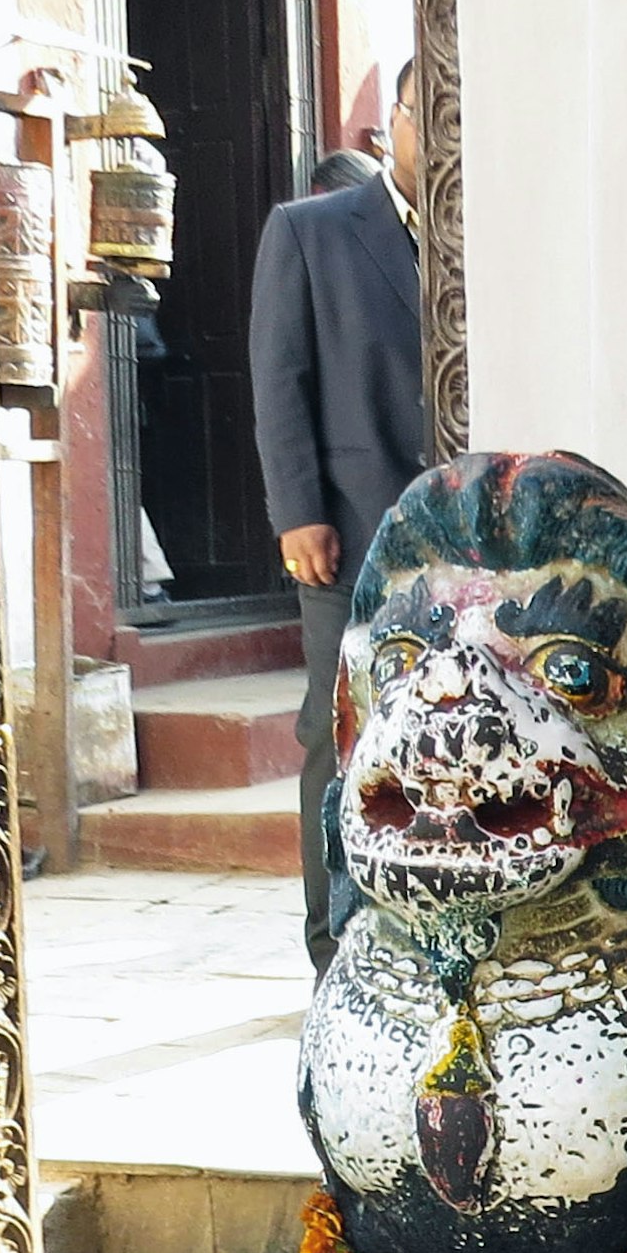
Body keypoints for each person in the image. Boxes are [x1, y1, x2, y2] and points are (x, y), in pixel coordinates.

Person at [250, 60, 428, 967]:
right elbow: (280, 381)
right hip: (350, 530)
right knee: (340, 727)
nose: (438, 135)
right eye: (422, 114)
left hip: (469, 542)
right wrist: (297, 513)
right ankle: (334, 938)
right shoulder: (311, 234)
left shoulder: (499, 233)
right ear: (387, 127)